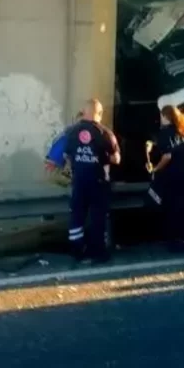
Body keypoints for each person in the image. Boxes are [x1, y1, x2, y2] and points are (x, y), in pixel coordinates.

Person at [63, 99, 121, 264]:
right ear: (100, 114)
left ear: (84, 111)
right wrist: (101, 157)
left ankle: (76, 250)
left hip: (79, 180)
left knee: (77, 215)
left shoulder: (72, 132)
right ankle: (98, 252)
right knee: (98, 217)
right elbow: (117, 159)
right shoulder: (105, 133)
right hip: (98, 181)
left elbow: (67, 155)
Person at [148, 105, 184, 251]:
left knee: (173, 209)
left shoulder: (165, 133)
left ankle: (174, 241)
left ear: (165, 116)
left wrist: (155, 168)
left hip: (174, 176)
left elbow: (167, 155)